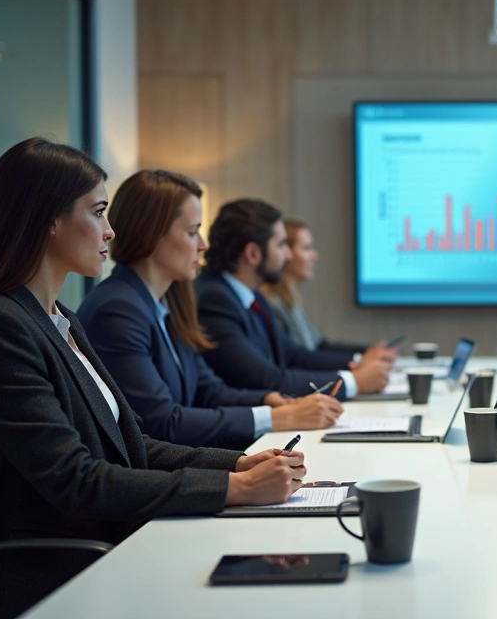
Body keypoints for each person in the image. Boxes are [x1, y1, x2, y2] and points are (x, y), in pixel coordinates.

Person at [0, 139, 306, 555]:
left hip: (107, 542)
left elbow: (132, 444)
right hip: (63, 565)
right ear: (47, 221)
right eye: (97, 213)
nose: (110, 230)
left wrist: (237, 465)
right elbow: (77, 481)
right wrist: (233, 487)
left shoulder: (61, 319)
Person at [77, 170, 344, 450]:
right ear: (152, 236)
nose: (203, 245)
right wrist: (274, 417)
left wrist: (269, 400)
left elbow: (209, 390)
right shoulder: (118, 310)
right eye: (193, 232)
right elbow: (161, 423)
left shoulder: (166, 302)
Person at [194, 199, 392, 399]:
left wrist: (359, 362)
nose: (288, 255)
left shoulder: (251, 295)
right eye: (281, 245)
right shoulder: (214, 300)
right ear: (253, 253)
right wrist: (353, 382)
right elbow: (268, 380)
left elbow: (295, 356)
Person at [261, 218, 379, 356]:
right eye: (306, 248)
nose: (315, 256)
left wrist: (368, 351)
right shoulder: (273, 305)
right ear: (286, 253)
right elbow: (299, 359)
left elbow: (319, 345)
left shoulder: (290, 302)